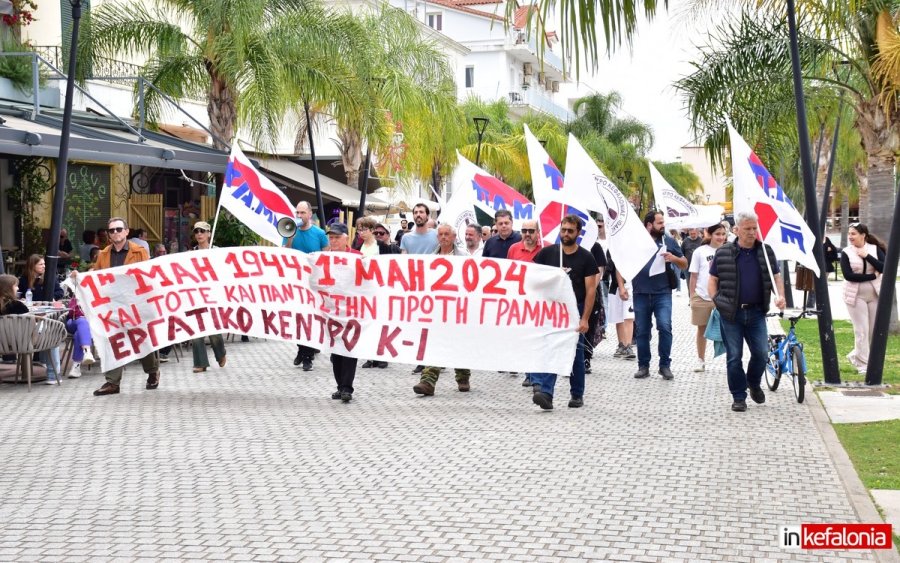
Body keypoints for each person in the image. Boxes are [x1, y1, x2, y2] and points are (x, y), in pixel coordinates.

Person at [708, 211, 785, 412]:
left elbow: (776, 276)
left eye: (754, 228)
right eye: (748, 229)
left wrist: (780, 296)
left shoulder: (766, 252)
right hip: (731, 314)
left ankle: (753, 382)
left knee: (761, 352)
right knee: (734, 356)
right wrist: (716, 301)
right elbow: (713, 279)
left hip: (757, 312)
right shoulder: (723, 252)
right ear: (737, 230)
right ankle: (739, 396)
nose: (752, 232)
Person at [529, 214, 598, 410]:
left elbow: (591, 290)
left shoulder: (586, 257)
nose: (565, 234)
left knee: (575, 353)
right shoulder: (547, 254)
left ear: (578, 233)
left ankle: (577, 394)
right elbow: (533, 280)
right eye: (563, 229)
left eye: (570, 231)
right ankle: (546, 394)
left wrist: (584, 319)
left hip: (574, 310)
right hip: (550, 309)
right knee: (550, 349)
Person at [92, 217, 161, 396]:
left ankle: (152, 372)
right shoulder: (103, 254)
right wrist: (83, 276)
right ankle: (112, 382)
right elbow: (97, 277)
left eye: (118, 229)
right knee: (114, 340)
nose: (115, 233)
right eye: (112, 230)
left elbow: (147, 275)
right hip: (112, 304)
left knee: (141, 340)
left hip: (135, 303)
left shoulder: (139, 252)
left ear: (126, 231)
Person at [415, 224, 472, 396]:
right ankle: (428, 381)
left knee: (458, 341)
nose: (444, 237)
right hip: (437, 307)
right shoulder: (431, 257)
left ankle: (463, 376)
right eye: (441, 234)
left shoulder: (464, 256)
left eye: (447, 234)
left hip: (458, 306)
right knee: (434, 341)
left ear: (454, 237)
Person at [631, 211, 687, 380]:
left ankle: (665, 365)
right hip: (640, 292)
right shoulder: (637, 242)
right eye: (659, 223)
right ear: (649, 225)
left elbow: (684, 263)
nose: (663, 225)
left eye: (663, 222)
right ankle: (643, 366)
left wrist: (673, 258)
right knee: (641, 331)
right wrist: (621, 285)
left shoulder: (668, 241)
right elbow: (623, 261)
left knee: (664, 326)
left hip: (662, 293)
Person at [284, 201, 329, 371]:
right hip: (296, 283)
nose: (299, 216)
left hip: (314, 283)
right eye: (297, 212)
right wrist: (289, 238)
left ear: (310, 214)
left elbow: (326, 256)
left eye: (303, 212)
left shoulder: (319, 233)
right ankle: (301, 349)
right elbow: (285, 253)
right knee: (298, 319)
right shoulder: (290, 231)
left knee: (310, 318)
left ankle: (307, 356)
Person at [841, 223, 886, 374]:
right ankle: (863, 365)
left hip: (874, 294)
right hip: (855, 296)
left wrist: (867, 256)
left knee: (872, 330)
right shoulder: (846, 252)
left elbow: (884, 267)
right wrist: (872, 276)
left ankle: (855, 355)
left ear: (863, 235)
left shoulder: (874, 249)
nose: (850, 237)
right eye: (849, 234)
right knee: (861, 330)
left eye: (853, 234)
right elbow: (848, 276)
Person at [508, 219, 546, 387]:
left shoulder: (546, 248)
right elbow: (508, 272)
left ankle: (536, 374)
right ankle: (528, 373)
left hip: (541, 300)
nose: (527, 234)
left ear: (538, 232)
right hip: (521, 300)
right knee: (525, 337)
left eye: (531, 231)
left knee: (538, 338)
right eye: (524, 231)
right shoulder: (514, 249)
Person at [326, 223, 361, 402]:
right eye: (331, 237)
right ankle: (340, 386)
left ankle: (347, 387)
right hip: (332, 311)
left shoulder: (358, 257)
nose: (333, 241)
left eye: (337, 237)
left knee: (349, 348)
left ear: (346, 238)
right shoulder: (323, 258)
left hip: (352, 310)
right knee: (336, 351)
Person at [687, 223, 727, 373]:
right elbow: (694, 275)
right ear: (709, 234)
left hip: (723, 297)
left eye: (723, 234)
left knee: (729, 329)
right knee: (702, 329)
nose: (721, 237)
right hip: (702, 296)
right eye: (718, 234)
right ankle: (701, 360)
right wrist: (692, 296)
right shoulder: (700, 252)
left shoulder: (729, 250)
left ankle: (732, 360)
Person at [355, 217, 393, 369]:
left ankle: (382, 356)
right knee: (367, 324)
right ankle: (370, 355)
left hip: (380, 289)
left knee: (381, 323)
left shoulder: (382, 247)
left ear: (371, 230)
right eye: (359, 229)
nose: (361, 232)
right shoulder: (357, 247)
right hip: (364, 290)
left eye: (364, 229)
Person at [190, 221, 227, 373]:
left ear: (209, 234)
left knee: (213, 327)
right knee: (196, 328)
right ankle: (200, 362)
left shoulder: (217, 252)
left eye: (202, 231)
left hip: (213, 294)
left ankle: (220, 353)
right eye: (197, 231)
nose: (199, 234)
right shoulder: (190, 253)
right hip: (196, 294)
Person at [608, 250, 636, 360]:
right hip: (615, 286)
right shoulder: (613, 248)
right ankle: (621, 344)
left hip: (630, 284)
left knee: (629, 317)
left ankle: (628, 345)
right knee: (618, 317)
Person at [65, 295, 95, 379]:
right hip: (73, 322)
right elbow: (72, 313)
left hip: (91, 326)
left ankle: (76, 366)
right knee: (82, 321)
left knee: (78, 334)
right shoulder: (77, 295)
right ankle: (87, 352)